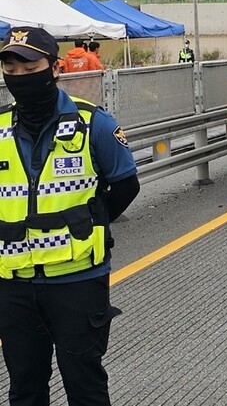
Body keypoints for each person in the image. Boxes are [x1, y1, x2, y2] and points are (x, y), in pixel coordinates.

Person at [0, 26, 140, 406]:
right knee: (24, 388)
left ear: (56, 68)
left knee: (84, 384)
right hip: (14, 284)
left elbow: (126, 185)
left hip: (78, 280)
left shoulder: (93, 124)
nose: (20, 79)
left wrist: (90, 224)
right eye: (11, 72)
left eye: (30, 70)